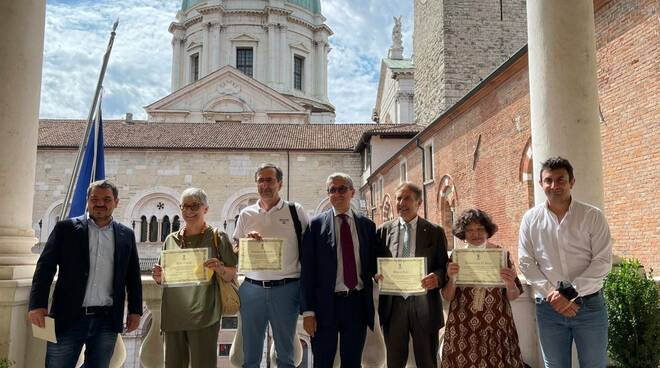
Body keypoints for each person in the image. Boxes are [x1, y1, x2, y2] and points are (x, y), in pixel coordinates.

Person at [28, 179, 142, 368]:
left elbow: (132, 276)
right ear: (87, 201)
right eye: (94, 198)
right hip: (68, 317)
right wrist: (37, 304)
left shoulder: (125, 235)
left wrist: (135, 311)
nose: (100, 203)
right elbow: (45, 268)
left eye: (106, 199)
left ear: (116, 202)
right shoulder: (65, 229)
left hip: (106, 320)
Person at [519, 157, 612, 368]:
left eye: (561, 179)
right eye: (548, 180)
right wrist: (553, 295)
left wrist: (570, 293)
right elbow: (526, 262)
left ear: (572, 182)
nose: (554, 185)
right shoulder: (530, 219)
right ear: (541, 184)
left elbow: (603, 261)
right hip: (548, 309)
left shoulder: (592, 216)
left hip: (589, 307)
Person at [233, 163, 308, 368]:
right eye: (261, 180)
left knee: (285, 356)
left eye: (270, 180)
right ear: (256, 184)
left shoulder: (295, 211)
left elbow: (309, 249)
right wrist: (246, 242)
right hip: (251, 289)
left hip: (287, 289)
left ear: (280, 184)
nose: (265, 185)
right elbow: (235, 249)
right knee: (250, 356)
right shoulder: (246, 214)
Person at [152, 187, 237, 368]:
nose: (189, 211)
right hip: (174, 315)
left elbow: (232, 274)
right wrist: (158, 277)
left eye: (195, 206)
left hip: (204, 316)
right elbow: (163, 278)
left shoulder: (217, 237)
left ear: (205, 208)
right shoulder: (171, 240)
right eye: (185, 206)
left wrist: (219, 268)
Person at [301, 173, 378, 368]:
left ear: (352, 192)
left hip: (356, 303)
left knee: (352, 362)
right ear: (328, 195)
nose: (337, 193)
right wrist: (308, 312)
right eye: (332, 190)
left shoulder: (367, 226)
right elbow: (307, 271)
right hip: (324, 306)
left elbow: (373, 263)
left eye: (342, 188)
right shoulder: (315, 225)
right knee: (323, 361)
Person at [375, 182, 448, 368]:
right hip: (394, 305)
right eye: (398, 198)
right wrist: (375, 275)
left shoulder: (434, 231)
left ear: (419, 202)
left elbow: (443, 266)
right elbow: (372, 265)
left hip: (425, 304)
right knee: (394, 361)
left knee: (427, 361)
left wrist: (437, 278)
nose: (401, 203)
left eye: (407, 198)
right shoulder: (383, 231)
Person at [441, 208, 524, 368]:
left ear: (488, 230)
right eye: (470, 230)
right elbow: (447, 296)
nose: (476, 234)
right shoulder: (455, 257)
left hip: (496, 325)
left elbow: (513, 295)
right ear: (463, 233)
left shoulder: (501, 255)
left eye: (480, 229)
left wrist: (510, 283)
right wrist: (452, 279)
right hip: (463, 327)